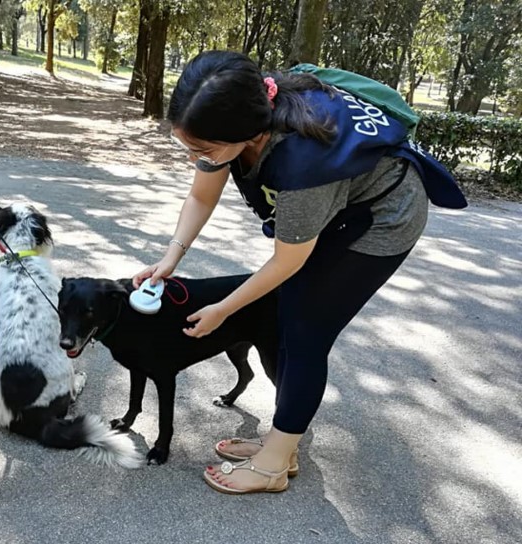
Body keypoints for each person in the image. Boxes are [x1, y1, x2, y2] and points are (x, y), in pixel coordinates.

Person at [133, 51, 465, 495]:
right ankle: (280, 441)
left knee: (305, 329)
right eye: (189, 147)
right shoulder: (232, 120)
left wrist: (223, 310)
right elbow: (201, 196)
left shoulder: (304, 163)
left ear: (249, 134)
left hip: (383, 217)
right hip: (339, 207)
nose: (199, 158)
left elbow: (288, 261)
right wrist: (171, 258)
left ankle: (275, 462)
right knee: (287, 314)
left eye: (205, 150)